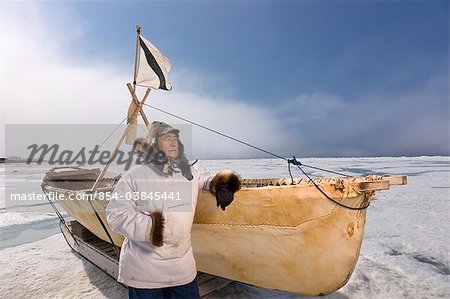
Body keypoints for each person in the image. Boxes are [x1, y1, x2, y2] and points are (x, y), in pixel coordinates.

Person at [106, 121, 241, 299]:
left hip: (181, 267)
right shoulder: (134, 176)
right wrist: (158, 229)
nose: (173, 142)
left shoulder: (190, 171)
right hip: (145, 271)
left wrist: (223, 185)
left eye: (175, 138)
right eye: (167, 138)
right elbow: (116, 215)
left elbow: (206, 179)